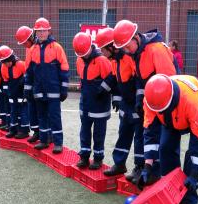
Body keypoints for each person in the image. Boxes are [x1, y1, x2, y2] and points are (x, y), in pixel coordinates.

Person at [142, 74, 198, 204]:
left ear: (171, 101)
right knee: (166, 148)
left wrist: (194, 175)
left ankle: (190, 200)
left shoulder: (192, 103)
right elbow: (150, 133)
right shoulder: (151, 100)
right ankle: (171, 192)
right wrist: (147, 166)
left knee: (192, 154)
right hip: (172, 116)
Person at [113, 19, 178, 186]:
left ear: (136, 37)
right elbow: (141, 82)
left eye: (127, 46)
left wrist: (157, 107)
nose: (126, 51)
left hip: (168, 101)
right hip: (152, 100)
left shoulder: (156, 50)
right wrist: (140, 99)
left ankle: (162, 176)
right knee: (149, 133)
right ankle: (148, 171)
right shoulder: (136, 54)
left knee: (165, 141)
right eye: (123, 48)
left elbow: (170, 81)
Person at [94, 28, 145, 182]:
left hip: (137, 105)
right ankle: (120, 164)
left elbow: (138, 81)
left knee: (140, 137)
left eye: (103, 49)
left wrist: (139, 102)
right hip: (126, 104)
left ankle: (140, 167)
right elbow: (115, 78)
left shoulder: (130, 58)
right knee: (123, 134)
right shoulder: (115, 61)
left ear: (112, 47)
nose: (102, 52)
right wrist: (105, 88)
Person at [25, 18, 69, 154]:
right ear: (35, 32)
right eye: (39, 31)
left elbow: (64, 68)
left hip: (54, 91)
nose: (42, 33)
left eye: (44, 31)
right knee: (42, 116)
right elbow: (29, 72)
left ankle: (58, 143)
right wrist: (27, 89)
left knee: (55, 117)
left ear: (49, 31)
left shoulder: (57, 47)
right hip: (38, 91)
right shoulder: (32, 49)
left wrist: (64, 88)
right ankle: (44, 140)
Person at [73, 32, 112, 170]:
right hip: (86, 102)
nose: (83, 56)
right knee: (84, 131)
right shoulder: (79, 60)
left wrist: (102, 89)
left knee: (98, 133)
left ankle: (98, 158)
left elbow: (111, 79)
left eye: (84, 53)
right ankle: (84, 156)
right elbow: (84, 78)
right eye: (80, 54)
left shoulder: (102, 60)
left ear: (91, 46)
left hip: (100, 104)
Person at [0, 45, 29, 139]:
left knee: (23, 111)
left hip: (22, 92)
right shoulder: (3, 68)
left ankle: (24, 131)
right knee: (13, 111)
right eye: (4, 62)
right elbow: (6, 81)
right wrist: (8, 93)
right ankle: (13, 129)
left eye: (8, 61)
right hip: (12, 92)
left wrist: (24, 83)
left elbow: (28, 76)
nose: (6, 64)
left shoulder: (21, 64)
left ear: (11, 58)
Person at [15, 26, 40, 143]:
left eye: (25, 43)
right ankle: (36, 132)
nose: (24, 45)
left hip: (40, 82)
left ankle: (46, 134)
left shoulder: (39, 47)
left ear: (31, 37)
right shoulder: (29, 48)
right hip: (31, 80)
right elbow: (28, 65)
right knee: (32, 107)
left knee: (42, 110)